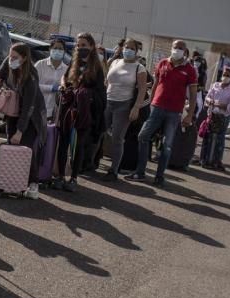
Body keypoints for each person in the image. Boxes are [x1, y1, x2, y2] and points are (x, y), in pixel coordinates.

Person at [127, 39, 198, 186]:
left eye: (180, 48)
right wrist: (150, 103)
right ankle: (140, 172)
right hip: (156, 108)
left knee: (167, 145)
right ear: (171, 48)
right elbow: (155, 85)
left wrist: (189, 114)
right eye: (175, 47)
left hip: (174, 112)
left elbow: (193, 94)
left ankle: (159, 176)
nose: (177, 50)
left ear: (185, 52)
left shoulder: (190, 70)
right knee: (143, 136)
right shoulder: (162, 63)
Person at [0, 44, 47, 198]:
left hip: (31, 117)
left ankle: (34, 183)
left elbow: (29, 107)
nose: (11, 60)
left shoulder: (31, 77)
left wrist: (20, 131)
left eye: (15, 58)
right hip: (12, 112)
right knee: (11, 144)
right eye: (10, 56)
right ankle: (12, 182)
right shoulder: (8, 63)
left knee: (25, 149)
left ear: (25, 59)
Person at [55, 33, 106, 191]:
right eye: (78, 45)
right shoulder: (73, 62)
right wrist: (64, 85)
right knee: (63, 143)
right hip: (67, 107)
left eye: (84, 45)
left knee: (77, 146)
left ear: (91, 46)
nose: (80, 48)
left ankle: (74, 178)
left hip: (83, 111)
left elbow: (100, 93)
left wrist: (85, 94)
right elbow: (64, 77)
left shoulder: (97, 68)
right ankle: (60, 176)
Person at [101, 39, 148, 182]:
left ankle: (113, 170)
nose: (128, 50)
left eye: (132, 48)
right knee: (99, 133)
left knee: (117, 139)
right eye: (126, 47)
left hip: (124, 105)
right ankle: (91, 163)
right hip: (108, 102)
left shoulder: (139, 68)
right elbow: (106, 81)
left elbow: (142, 89)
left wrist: (136, 108)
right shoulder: (114, 62)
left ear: (137, 50)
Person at [200, 66, 230, 169]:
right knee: (207, 137)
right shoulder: (215, 85)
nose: (225, 77)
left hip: (223, 117)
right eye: (224, 75)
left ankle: (217, 160)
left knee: (220, 139)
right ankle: (204, 158)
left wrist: (218, 105)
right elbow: (208, 96)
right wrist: (210, 101)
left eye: (228, 75)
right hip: (212, 115)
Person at [35, 39, 69, 121]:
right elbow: (33, 86)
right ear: (50, 49)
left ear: (64, 51)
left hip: (53, 113)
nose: (58, 51)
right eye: (55, 48)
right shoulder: (40, 64)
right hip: (37, 109)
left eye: (60, 49)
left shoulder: (66, 69)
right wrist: (52, 88)